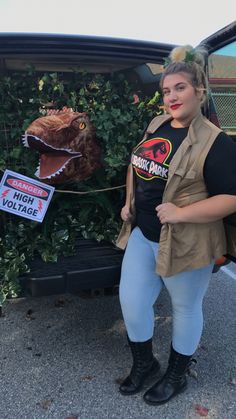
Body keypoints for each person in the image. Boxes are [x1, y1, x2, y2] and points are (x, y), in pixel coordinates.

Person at [116, 44, 236, 406]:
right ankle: (145, 364)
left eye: (180, 88)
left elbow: (231, 198)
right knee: (132, 303)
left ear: (199, 91)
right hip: (143, 233)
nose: (171, 96)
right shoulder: (157, 124)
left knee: (185, 308)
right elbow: (138, 162)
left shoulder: (216, 143)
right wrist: (128, 201)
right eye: (166, 90)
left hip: (188, 241)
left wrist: (181, 214)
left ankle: (177, 374)